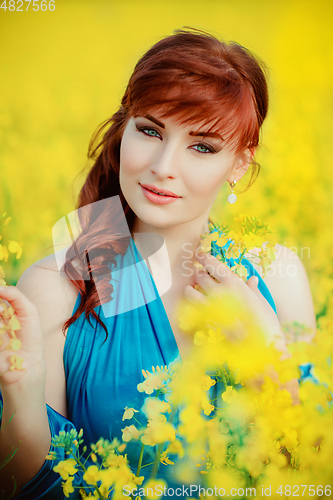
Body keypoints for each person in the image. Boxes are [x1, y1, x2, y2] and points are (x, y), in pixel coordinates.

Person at [0, 27, 316, 499]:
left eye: (202, 146)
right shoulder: (58, 285)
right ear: (124, 128)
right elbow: (31, 485)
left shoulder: (278, 277)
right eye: (150, 130)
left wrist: (265, 354)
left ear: (239, 165)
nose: (163, 165)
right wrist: (20, 398)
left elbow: (309, 472)